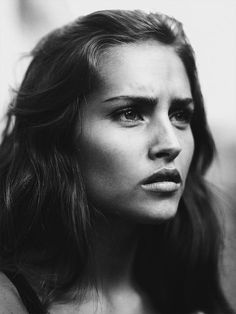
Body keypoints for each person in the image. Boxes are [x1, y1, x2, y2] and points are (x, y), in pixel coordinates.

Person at [0, 9, 234, 314]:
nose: (171, 144)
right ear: (59, 134)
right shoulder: (9, 302)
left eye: (180, 116)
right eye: (130, 113)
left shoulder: (190, 298)